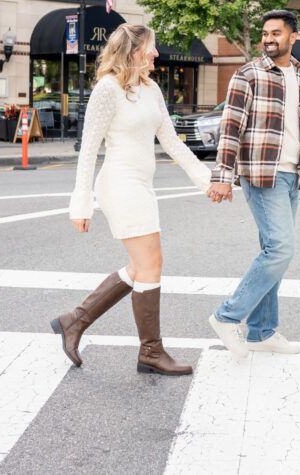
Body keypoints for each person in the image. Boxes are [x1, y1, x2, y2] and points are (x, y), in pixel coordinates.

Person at [54, 23, 211, 375]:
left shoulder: (150, 88)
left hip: (142, 185)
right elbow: (88, 150)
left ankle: (75, 321)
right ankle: (151, 352)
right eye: (151, 48)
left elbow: (171, 142)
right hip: (120, 184)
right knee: (152, 264)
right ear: (134, 51)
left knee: (140, 267)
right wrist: (81, 204)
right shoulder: (108, 90)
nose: (156, 54)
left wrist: (207, 180)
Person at [206, 9, 300, 358]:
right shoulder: (249, 74)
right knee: (281, 249)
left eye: (276, 33)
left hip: (293, 175)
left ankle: (261, 332)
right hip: (263, 173)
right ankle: (227, 316)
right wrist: (222, 177)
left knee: (273, 253)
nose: (268, 39)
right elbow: (229, 129)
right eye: (265, 33)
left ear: (293, 37)